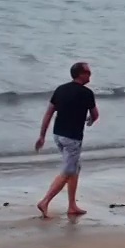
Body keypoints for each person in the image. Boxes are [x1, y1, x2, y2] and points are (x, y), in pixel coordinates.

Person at [34, 61, 99, 218]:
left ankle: (72, 206)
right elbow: (95, 115)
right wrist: (89, 121)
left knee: (75, 168)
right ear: (80, 74)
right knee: (68, 171)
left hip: (58, 135)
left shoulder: (60, 90)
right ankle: (45, 201)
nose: (90, 75)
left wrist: (42, 136)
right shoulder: (87, 93)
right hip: (73, 138)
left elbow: (49, 113)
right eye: (88, 73)